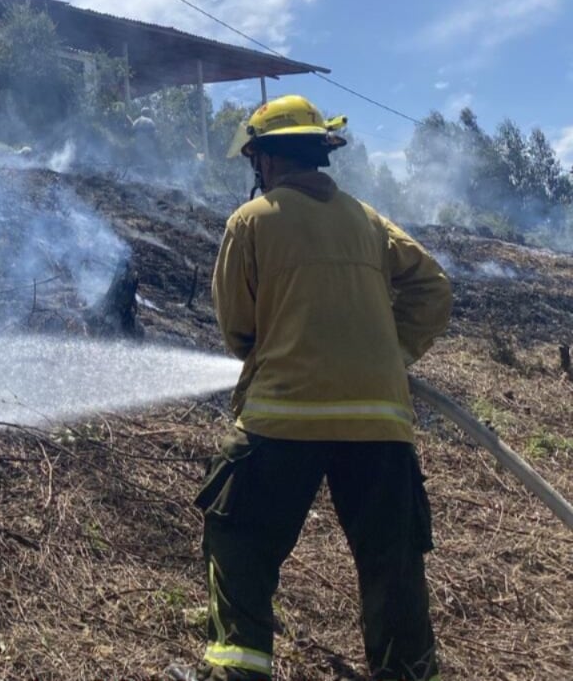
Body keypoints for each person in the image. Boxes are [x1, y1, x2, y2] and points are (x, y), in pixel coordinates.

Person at [169, 95, 453, 681]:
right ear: (321, 152)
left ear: (264, 161)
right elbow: (432, 287)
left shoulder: (251, 222)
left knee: (237, 532)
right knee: (392, 561)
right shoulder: (369, 221)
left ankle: (239, 667)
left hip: (282, 417)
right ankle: (406, 672)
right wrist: (390, 354)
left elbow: (238, 328)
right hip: (379, 423)